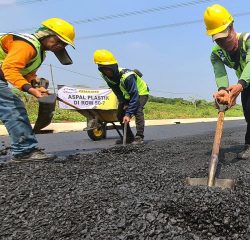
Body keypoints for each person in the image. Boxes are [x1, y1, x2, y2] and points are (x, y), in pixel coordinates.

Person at [204, 4, 250, 159]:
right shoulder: (216, 54)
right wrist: (223, 90)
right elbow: (220, 73)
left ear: (232, 27)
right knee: (248, 113)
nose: (223, 44)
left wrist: (240, 85)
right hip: (245, 82)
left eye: (225, 37)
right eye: (218, 40)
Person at [0, 18, 75, 162]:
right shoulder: (26, 45)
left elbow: (27, 73)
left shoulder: (40, 52)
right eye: (57, 41)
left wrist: (36, 84)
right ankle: (24, 151)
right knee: (13, 107)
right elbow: (10, 69)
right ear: (45, 34)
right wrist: (30, 89)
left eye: (63, 44)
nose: (60, 46)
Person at [93, 49, 149, 145]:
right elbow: (116, 90)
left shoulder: (128, 76)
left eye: (108, 69)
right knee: (120, 115)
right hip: (127, 94)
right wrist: (123, 102)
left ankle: (139, 137)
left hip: (141, 92)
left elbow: (134, 96)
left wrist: (128, 114)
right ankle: (129, 138)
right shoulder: (105, 76)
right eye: (104, 69)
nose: (107, 72)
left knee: (137, 110)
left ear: (114, 67)